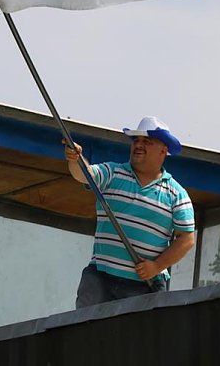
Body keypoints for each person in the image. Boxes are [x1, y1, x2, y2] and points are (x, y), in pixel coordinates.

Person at [65, 116, 196, 307]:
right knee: (84, 331)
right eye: (136, 140)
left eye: (147, 141)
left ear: (163, 151)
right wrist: (75, 159)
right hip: (101, 278)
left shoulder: (177, 194)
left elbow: (187, 239)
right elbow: (85, 175)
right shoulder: (112, 173)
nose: (139, 145)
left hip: (145, 286)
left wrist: (157, 267)